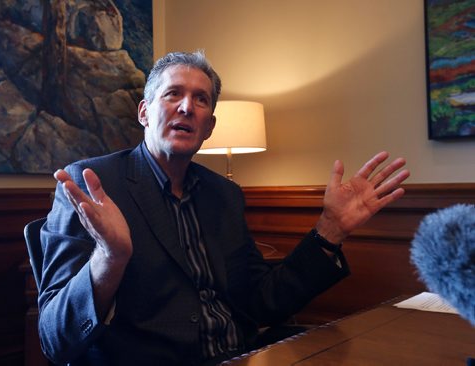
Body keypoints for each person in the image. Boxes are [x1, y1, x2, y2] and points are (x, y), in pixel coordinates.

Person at [38, 51, 410, 365]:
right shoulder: (91, 185)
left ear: (210, 126)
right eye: (173, 94)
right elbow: (55, 340)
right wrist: (110, 258)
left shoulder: (224, 195)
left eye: (201, 99)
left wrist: (331, 229)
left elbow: (261, 302)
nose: (187, 107)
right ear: (144, 113)